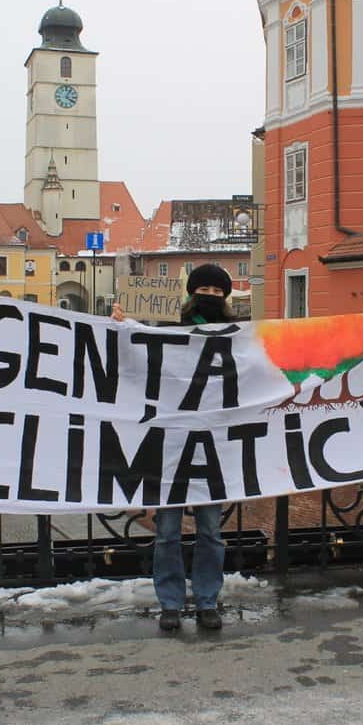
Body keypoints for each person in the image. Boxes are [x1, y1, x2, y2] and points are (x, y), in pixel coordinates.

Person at [112, 264, 233, 631]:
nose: (210, 295)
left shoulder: (235, 334)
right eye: (204, 289)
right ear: (192, 292)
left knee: (211, 531)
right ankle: (170, 603)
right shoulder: (167, 330)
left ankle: (207, 601)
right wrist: (121, 325)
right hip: (169, 446)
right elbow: (137, 355)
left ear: (225, 297)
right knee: (167, 532)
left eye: (217, 290)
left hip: (212, 446)